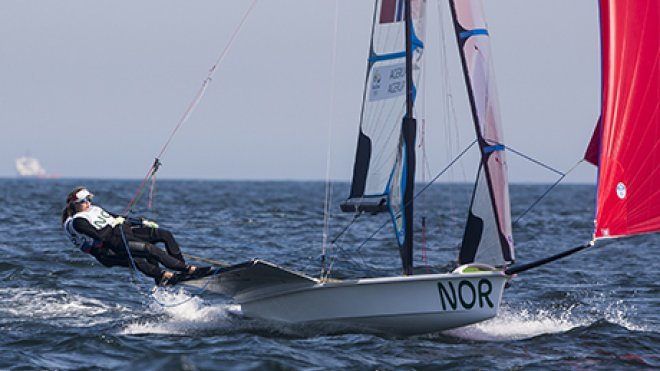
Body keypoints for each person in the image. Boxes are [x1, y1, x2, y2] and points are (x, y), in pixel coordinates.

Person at [61, 186, 210, 286]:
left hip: (124, 233)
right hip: (112, 246)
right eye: (83, 201)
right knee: (147, 251)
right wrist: (113, 224)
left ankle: (179, 270)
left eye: (89, 199)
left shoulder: (94, 209)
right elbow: (101, 236)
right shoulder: (78, 221)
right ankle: (186, 271)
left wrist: (141, 222)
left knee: (164, 234)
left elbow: (116, 217)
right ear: (74, 204)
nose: (88, 203)